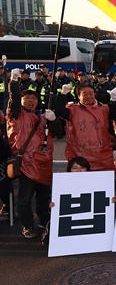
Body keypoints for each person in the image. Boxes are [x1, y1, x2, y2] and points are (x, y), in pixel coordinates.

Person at [6, 69, 63, 239]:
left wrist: (53, 120)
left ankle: (44, 222)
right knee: (24, 199)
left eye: (34, 98)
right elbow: (13, 100)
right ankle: (27, 225)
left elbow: (59, 132)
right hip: (26, 164)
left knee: (44, 198)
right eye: (27, 98)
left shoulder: (43, 116)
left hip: (44, 164)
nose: (31, 101)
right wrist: (14, 83)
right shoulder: (16, 114)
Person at [54, 82, 116, 171]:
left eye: (91, 94)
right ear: (78, 96)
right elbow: (59, 111)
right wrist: (62, 94)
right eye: (84, 94)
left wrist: (115, 148)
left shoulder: (104, 109)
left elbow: (111, 128)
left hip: (103, 155)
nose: (88, 96)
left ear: (94, 94)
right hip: (80, 154)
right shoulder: (73, 110)